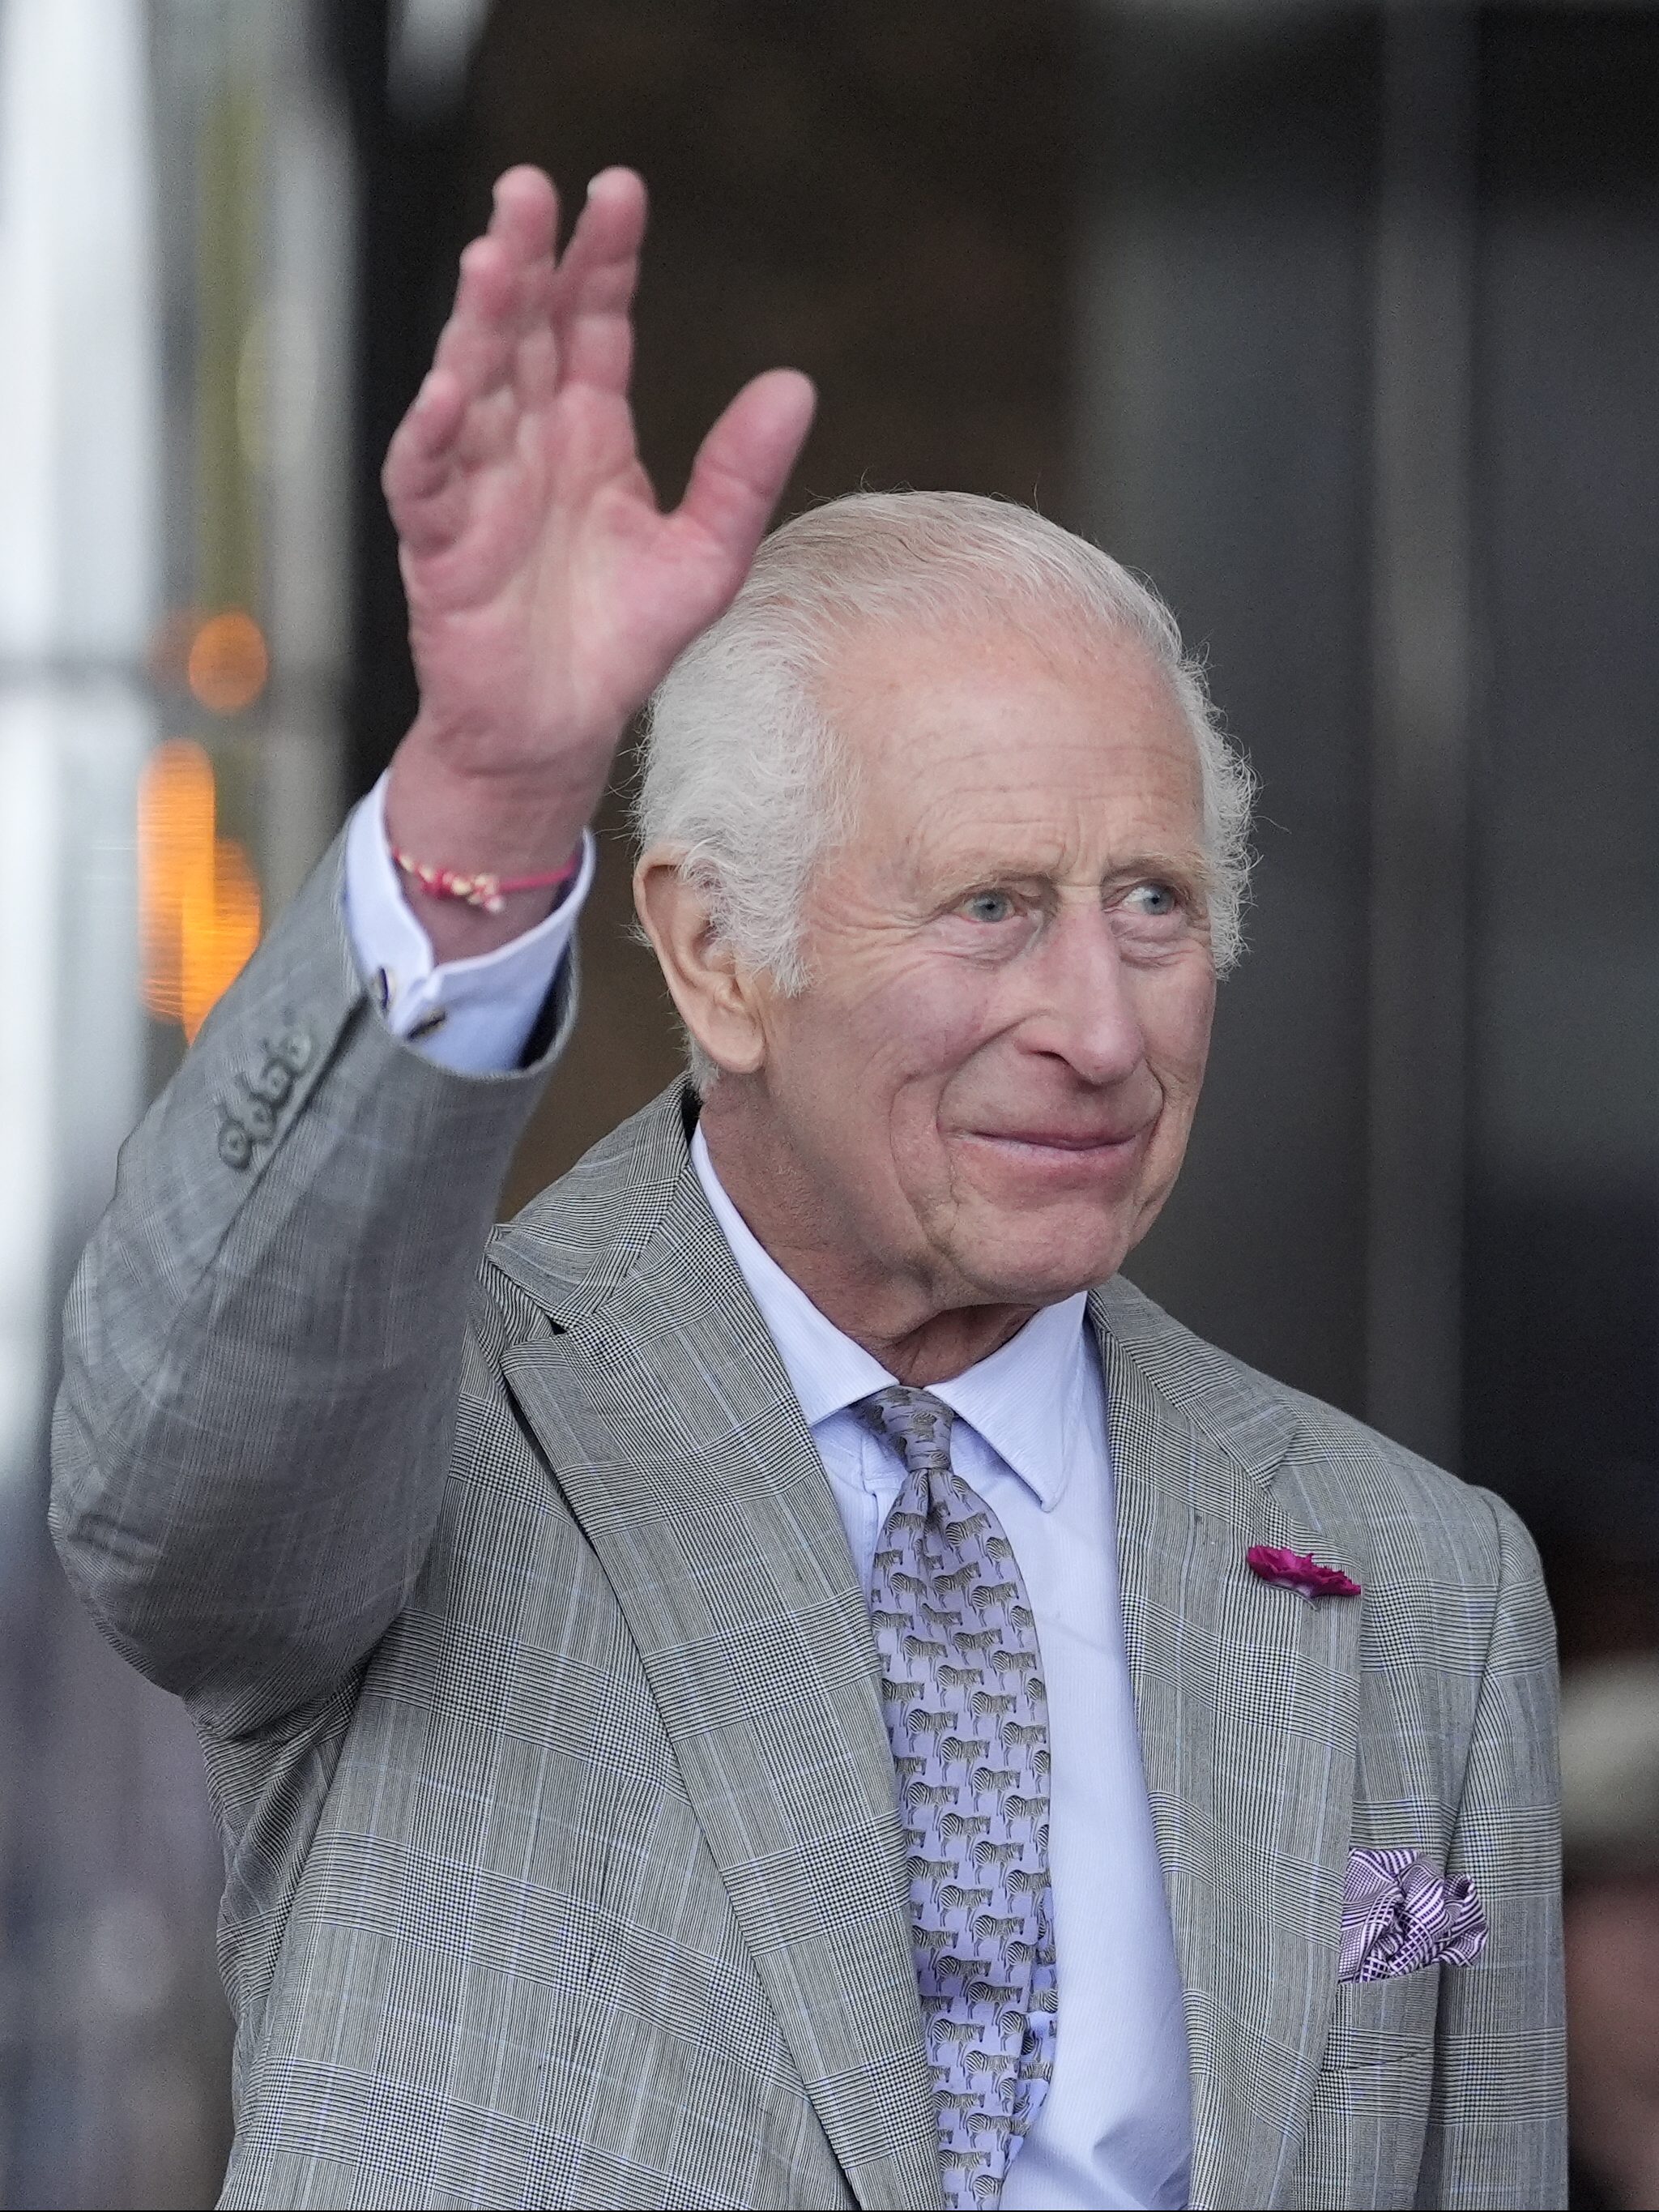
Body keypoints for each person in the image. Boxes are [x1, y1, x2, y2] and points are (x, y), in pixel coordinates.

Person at [52, 165, 1564, 2211]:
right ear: (713, 955)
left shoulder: (1421, 1580)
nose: (1102, 1028)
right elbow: (170, 1480)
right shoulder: (436, 1444)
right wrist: (487, 807)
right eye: (992, 907)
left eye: (1152, 904)